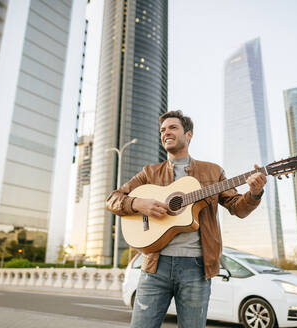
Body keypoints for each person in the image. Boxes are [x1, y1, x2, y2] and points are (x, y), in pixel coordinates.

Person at [106, 110, 267, 328]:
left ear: (188, 135)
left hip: (197, 269)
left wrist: (254, 193)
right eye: (163, 130)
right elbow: (113, 199)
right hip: (154, 266)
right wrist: (138, 203)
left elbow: (238, 208)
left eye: (172, 127)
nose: (166, 132)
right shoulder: (149, 173)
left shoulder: (213, 171)